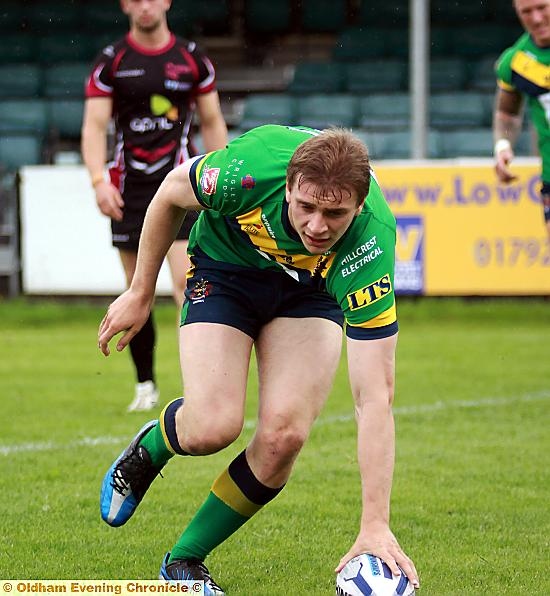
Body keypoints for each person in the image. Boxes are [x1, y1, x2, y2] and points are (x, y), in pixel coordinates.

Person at [97, 124, 420, 594]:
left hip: (310, 294)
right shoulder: (248, 170)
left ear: (361, 202)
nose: (316, 225)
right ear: (288, 186)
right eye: (306, 206)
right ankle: (153, 447)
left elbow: (374, 397)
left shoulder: (370, 244)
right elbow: (169, 193)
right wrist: (140, 291)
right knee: (211, 427)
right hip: (227, 270)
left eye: (335, 213)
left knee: (284, 436)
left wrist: (375, 524)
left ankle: (184, 561)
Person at [81, 0, 228, 412]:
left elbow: (213, 120)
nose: (145, 6)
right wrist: (97, 181)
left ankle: (198, 388)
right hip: (131, 193)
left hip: (182, 188)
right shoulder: (111, 62)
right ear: (126, 5)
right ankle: (145, 385)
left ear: (166, 2)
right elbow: (94, 126)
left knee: (187, 285)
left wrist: (225, 183)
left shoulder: (191, 58)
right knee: (136, 291)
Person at [493, 0, 550, 238]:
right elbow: (507, 113)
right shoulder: (515, 63)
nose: (536, 19)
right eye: (526, 12)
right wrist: (503, 146)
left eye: (543, 8)